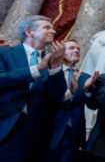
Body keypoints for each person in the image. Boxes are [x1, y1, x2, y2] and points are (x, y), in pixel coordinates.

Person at [0, 15, 67, 161]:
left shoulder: (52, 60)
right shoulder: (5, 53)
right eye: (47, 27)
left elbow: (57, 95)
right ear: (29, 32)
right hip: (5, 126)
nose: (53, 31)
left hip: (37, 132)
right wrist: (36, 69)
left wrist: (55, 66)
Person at [47, 39, 99, 162]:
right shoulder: (50, 72)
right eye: (71, 48)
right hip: (49, 129)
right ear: (60, 52)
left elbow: (93, 105)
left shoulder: (86, 77)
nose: (76, 50)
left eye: (78, 49)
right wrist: (71, 90)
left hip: (74, 134)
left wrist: (87, 89)